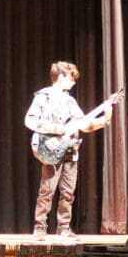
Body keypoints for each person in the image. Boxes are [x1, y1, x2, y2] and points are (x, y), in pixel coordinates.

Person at [25, 61, 112, 240]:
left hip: (70, 150)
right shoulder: (43, 97)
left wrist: (104, 118)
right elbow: (30, 120)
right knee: (47, 191)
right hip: (51, 149)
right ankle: (40, 228)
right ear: (61, 76)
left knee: (68, 193)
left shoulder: (70, 101)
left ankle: (63, 228)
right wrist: (58, 129)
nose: (73, 81)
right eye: (71, 77)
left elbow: (83, 124)